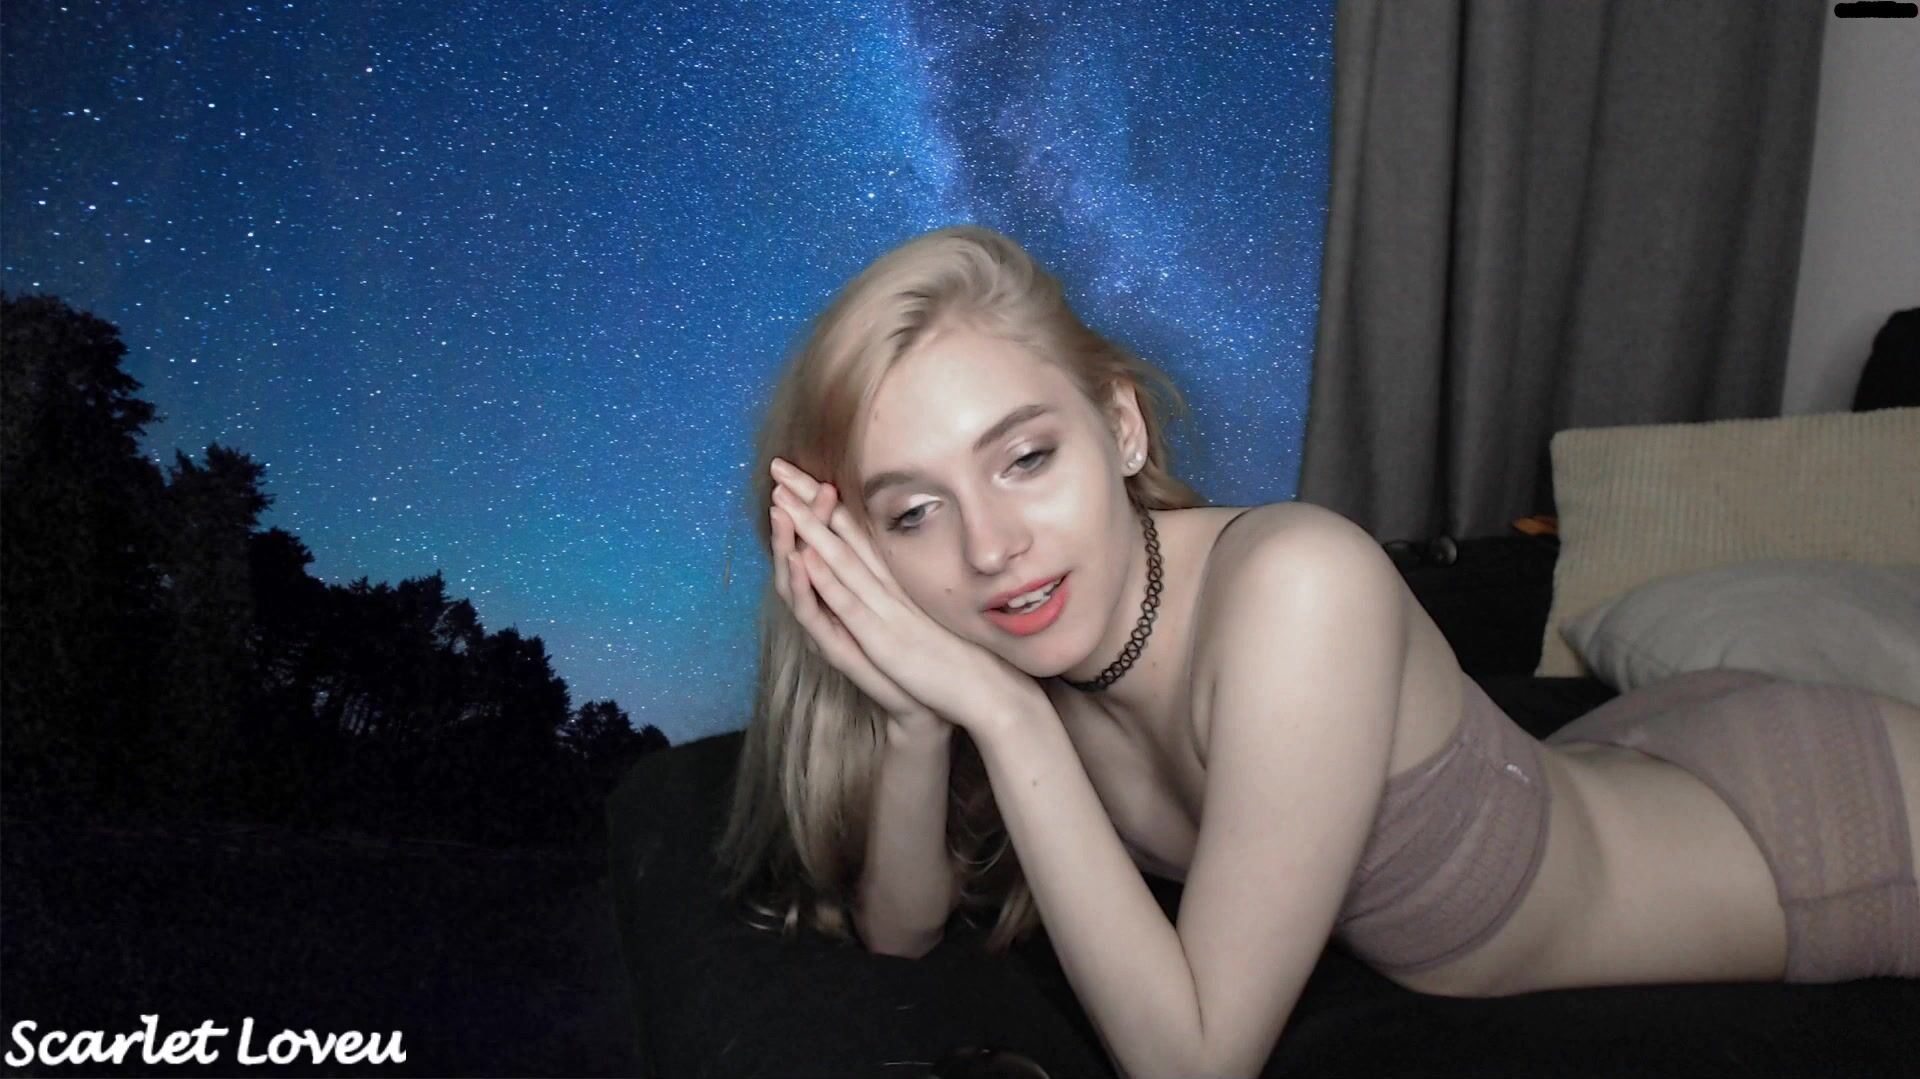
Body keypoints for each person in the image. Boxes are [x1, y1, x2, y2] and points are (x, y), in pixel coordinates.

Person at [714, 225, 1920, 1079]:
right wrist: (918, 711)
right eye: (914, 512)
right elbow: (902, 932)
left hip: (1823, 840)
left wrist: (1004, 712)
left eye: (1026, 457)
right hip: (1649, 749)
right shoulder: (1038, 640)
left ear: (1120, 424)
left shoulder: (1300, 584)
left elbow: (1195, 1062)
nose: (990, 548)